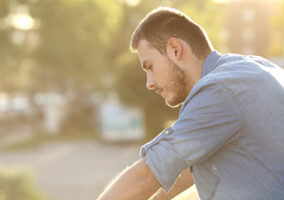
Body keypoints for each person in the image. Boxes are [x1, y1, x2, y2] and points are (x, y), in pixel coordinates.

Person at [97, 7, 284, 200]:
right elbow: (187, 165)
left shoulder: (218, 91)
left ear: (175, 49)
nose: (149, 83)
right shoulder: (252, 67)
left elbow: (146, 175)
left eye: (150, 67)